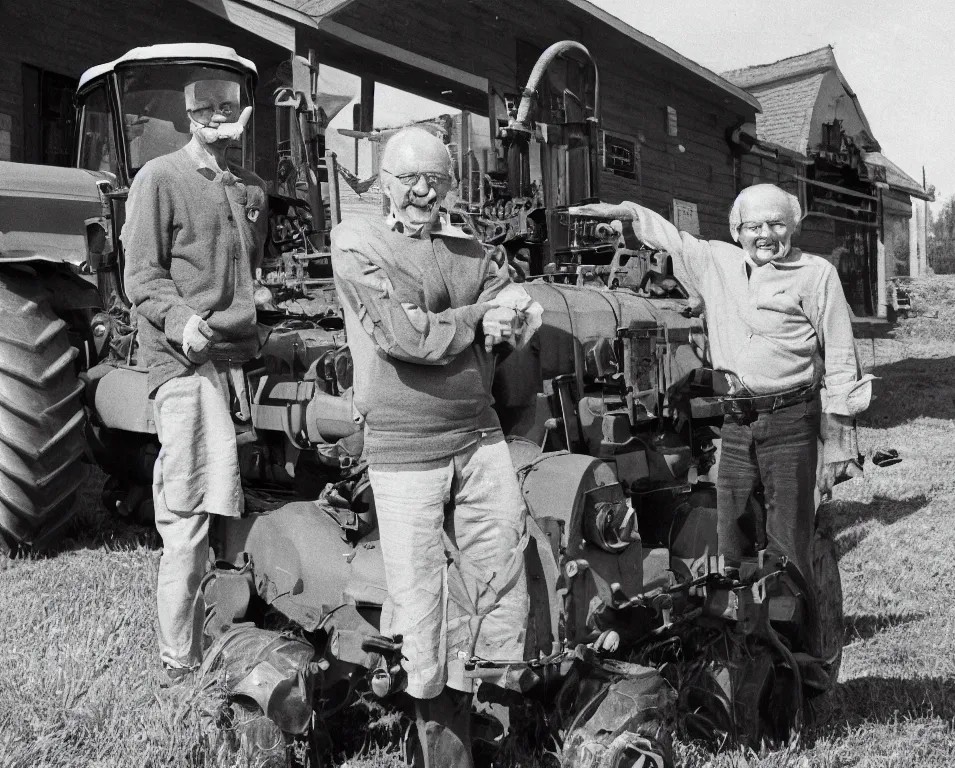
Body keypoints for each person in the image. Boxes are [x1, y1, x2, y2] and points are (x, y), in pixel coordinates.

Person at [330, 126, 541, 768]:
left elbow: (512, 296)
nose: (424, 190)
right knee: (421, 601)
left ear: (450, 184)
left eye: (437, 179)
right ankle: (439, 748)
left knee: (504, 571)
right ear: (383, 182)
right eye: (409, 178)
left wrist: (514, 308)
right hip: (405, 448)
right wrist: (479, 319)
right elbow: (406, 337)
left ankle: (498, 713)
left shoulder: (466, 243)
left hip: (479, 435)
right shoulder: (355, 240)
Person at [572, 185, 871, 617]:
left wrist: (840, 441)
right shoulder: (717, 260)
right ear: (736, 230)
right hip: (736, 423)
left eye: (776, 224)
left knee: (787, 541)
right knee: (733, 536)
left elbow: (842, 358)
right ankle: (747, 637)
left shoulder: (816, 274)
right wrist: (626, 211)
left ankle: (803, 661)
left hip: (790, 419)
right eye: (753, 226)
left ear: (795, 225)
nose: (765, 235)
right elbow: (668, 235)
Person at [122, 75, 266, 682]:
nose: (218, 119)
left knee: (251, 494)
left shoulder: (249, 190)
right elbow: (142, 278)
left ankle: (241, 623)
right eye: (206, 110)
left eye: (229, 110)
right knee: (187, 508)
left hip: (240, 359)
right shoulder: (159, 178)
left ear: (242, 116)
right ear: (190, 116)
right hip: (184, 361)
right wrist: (184, 324)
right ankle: (176, 658)